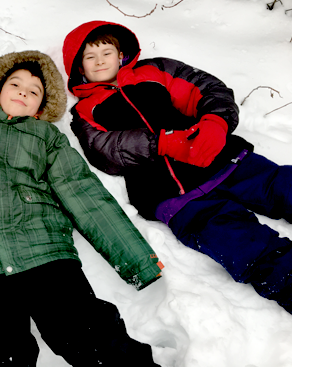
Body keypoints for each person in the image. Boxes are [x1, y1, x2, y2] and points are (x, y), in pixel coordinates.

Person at [0, 50, 165, 367]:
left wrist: (136, 260)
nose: (23, 93)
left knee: (90, 336)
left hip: (44, 254)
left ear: (40, 107)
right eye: (15, 84)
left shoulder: (46, 137)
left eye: (34, 91)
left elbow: (83, 192)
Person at [61, 20, 292, 314]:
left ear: (121, 54)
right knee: (243, 246)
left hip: (225, 162)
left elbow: (207, 88)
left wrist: (215, 122)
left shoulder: (156, 71)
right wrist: (160, 144)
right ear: (80, 68)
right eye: (89, 57)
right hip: (176, 198)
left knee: (285, 187)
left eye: (106, 52)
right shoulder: (84, 111)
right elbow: (105, 152)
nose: (100, 61)